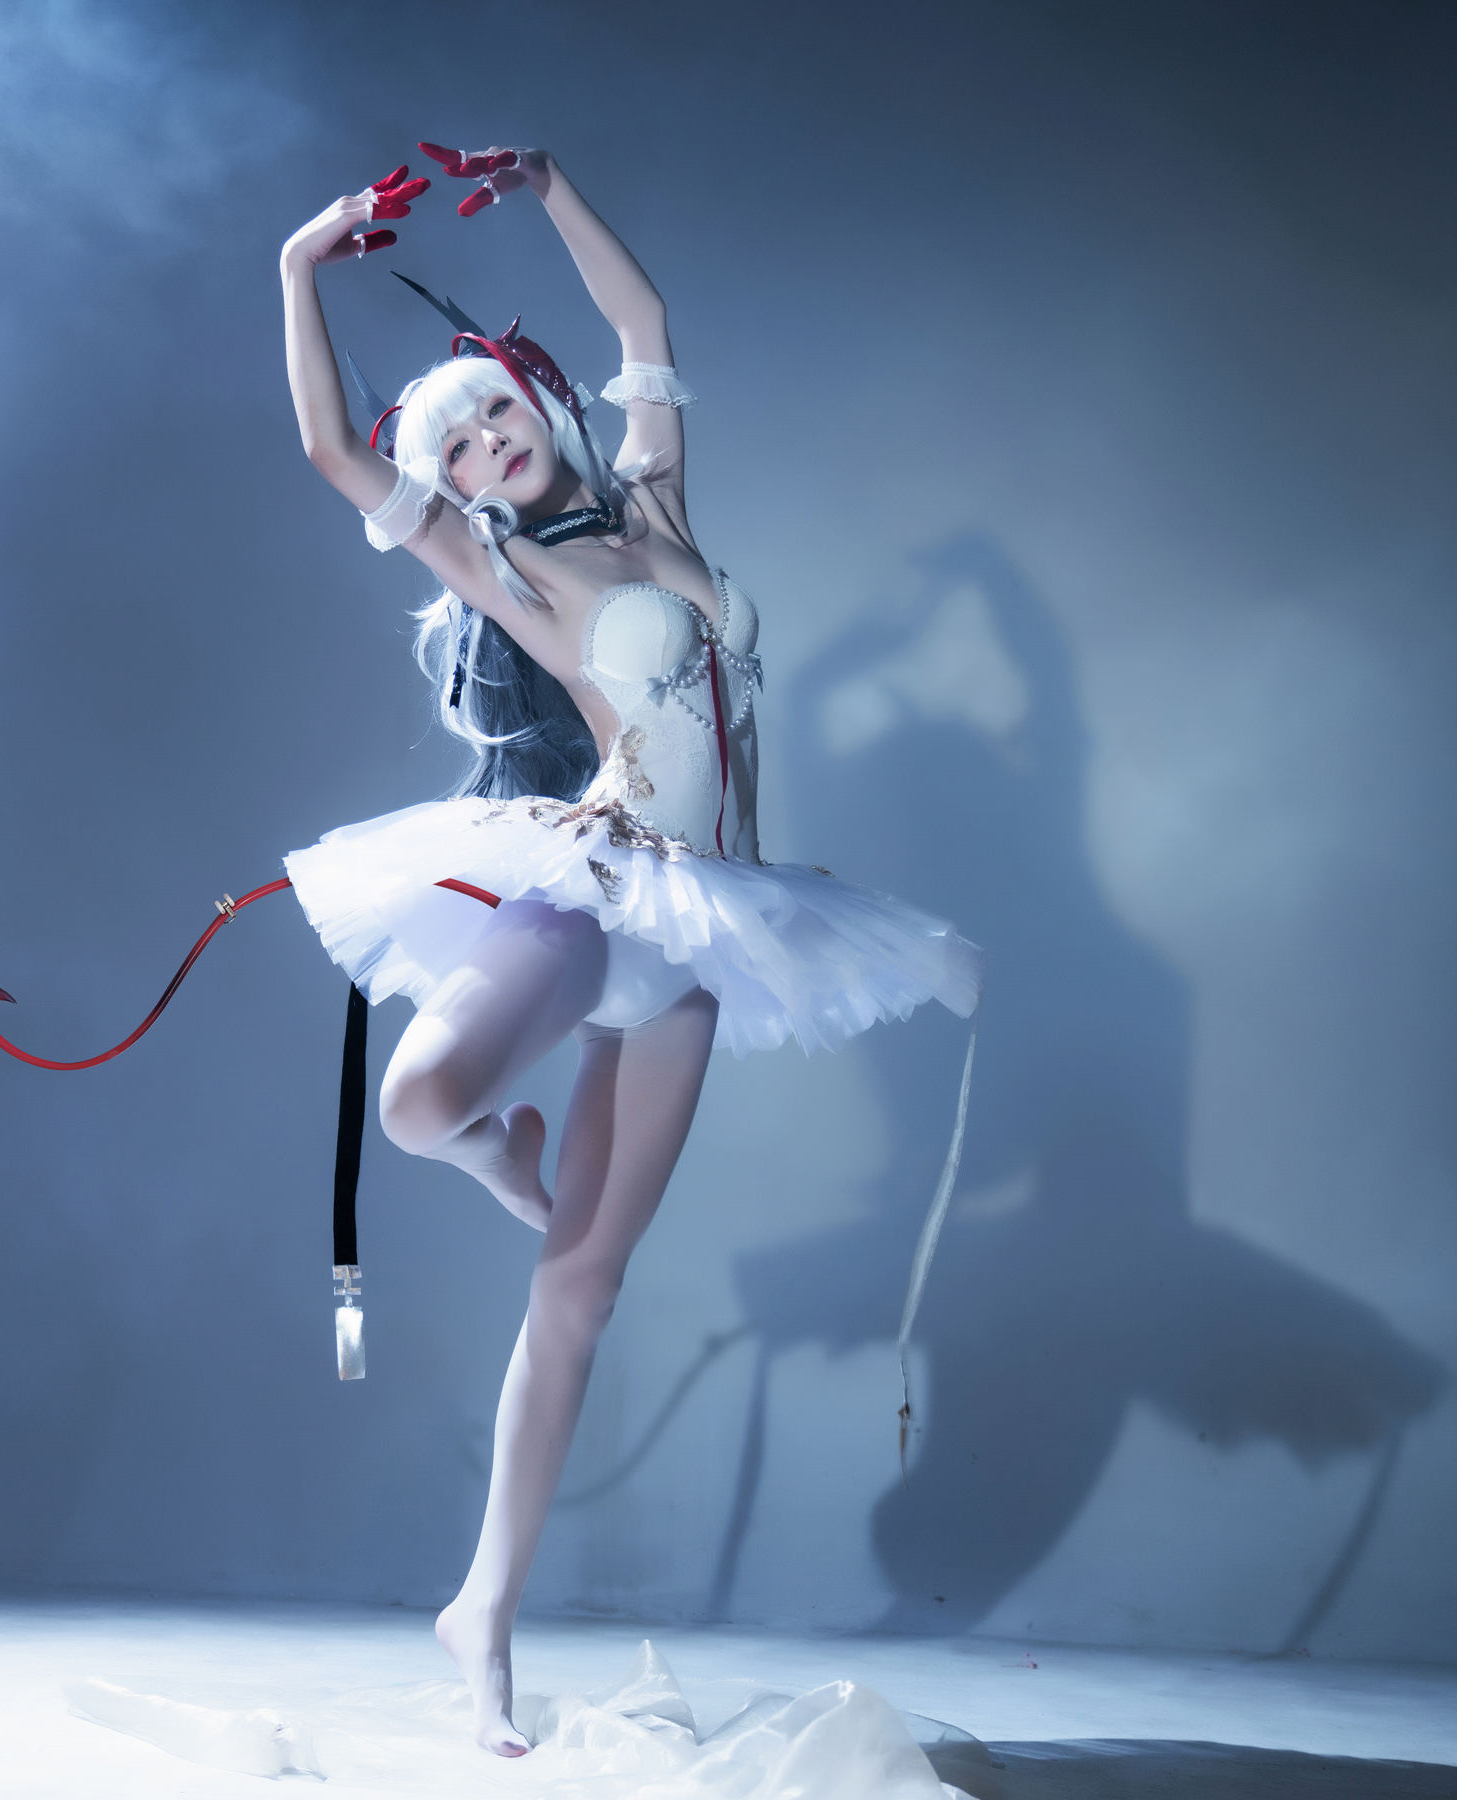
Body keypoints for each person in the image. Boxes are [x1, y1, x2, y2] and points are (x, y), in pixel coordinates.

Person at [278, 143, 983, 1758]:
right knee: (418, 1102)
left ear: (533, 400)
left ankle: (481, 1612)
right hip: (601, 885)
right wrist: (298, 266)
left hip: (712, 925)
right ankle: (501, 1159)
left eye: (491, 412)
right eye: (457, 445)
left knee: (581, 1295)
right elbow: (329, 448)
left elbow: (644, 320)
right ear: (457, 486)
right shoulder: (507, 570)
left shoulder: (658, 507)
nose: (485, 443)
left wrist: (547, 186)